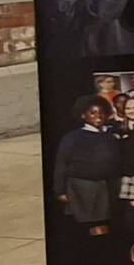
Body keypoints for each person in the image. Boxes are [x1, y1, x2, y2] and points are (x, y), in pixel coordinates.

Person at [52, 95, 120, 237]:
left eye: (101, 113)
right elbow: (61, 164)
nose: (98, 116)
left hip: (105, 186)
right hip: (83, 187)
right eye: (93, 112)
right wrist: (60, 191)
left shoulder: (109, 136)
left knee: (103, 223)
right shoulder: (73, 137)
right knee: (95, 225)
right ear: (83, 115)